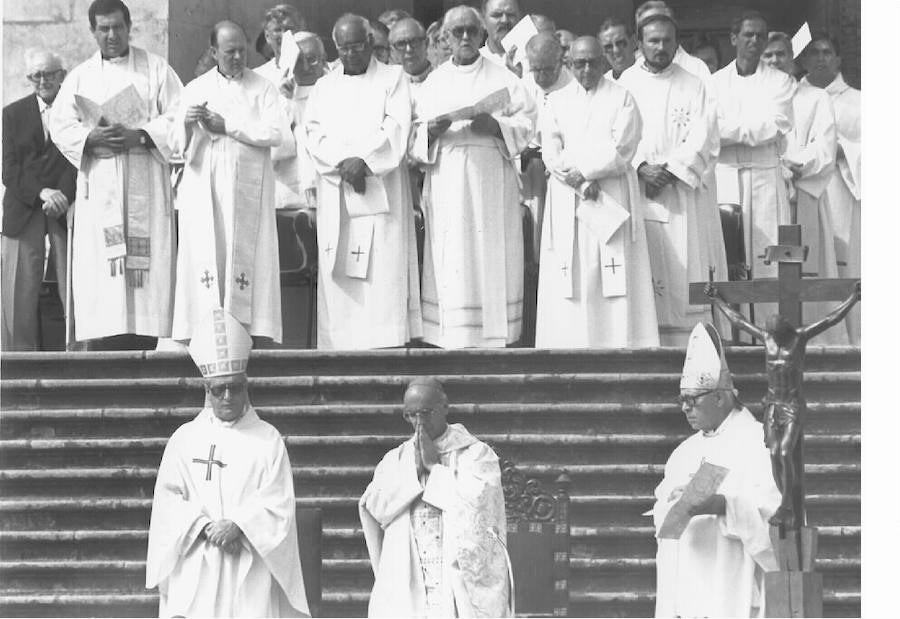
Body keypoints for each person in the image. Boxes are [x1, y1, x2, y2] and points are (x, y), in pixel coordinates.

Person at [146, 308, 309, 617]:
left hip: (250, 562)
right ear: (207, 390)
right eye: (219, 389)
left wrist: (239, 526)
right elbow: (168, 502)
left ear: (246, 386)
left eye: (235, 387)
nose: (227, 396)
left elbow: (279, 504)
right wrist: (204, 527)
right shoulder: (184, 439)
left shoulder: (268, 439)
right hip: (197, 559)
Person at [49, 0, 182, 350]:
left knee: (148, 281)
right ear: (93, 31)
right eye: (104, 28)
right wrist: (89, 137)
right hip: (101, 184)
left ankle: (151, 347)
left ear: (129, 26)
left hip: (146, 183)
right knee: (105, 283)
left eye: (118, 27)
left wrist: (141, 135)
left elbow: (179, 118)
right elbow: (60, 125)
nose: (112, 35)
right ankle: (104, 349)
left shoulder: (156, 69)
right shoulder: (80, 76)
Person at [410, 5, 536, 348]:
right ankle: (451, 335)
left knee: (491, 251)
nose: (465, 37)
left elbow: (528, 125)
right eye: (457, 32)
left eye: (471, 30)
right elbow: (410, 140)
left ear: (482, 35)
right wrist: (430, 132)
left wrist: (497, 126)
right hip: (447, 179)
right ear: (445, 38)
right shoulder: (433, 83)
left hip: (491, 179)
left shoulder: (505, 78)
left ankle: (498, 335)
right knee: (453, 257)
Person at [303, 14, 422, 350]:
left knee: (382, 276)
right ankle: (341, 348)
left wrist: (365, 162)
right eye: (343, 48)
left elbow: (397, 126)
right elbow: (312, 132)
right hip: (339, 190)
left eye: (356, 46)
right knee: (341, 275)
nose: (350, 53)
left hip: (378, 190)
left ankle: (387, 345)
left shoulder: (393, 78)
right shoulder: (325, 86)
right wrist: (341, 162)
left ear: (370, 42)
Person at [704, 281, 860, 530]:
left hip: (792, 406)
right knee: (774, 455)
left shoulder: (799, 338)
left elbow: (830, 320)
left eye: (776, 324)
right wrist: (718, 302)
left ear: (784, 327)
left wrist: (853, 298)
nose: (771, 327)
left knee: (785, 452)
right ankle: (784, 502)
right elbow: (738, 321)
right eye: (770, 325)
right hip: (773, 405)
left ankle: (787, 505)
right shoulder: (767, 339)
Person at [170, 21, 289, 344]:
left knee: (246, 256)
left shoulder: (263, 87)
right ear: (213, 52)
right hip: (204, 190)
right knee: (208, 253)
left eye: (242, 50)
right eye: (229, 51)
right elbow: (177, 146)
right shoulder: (195, 88)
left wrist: (229, 125)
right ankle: (204, 331)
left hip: (247, 192)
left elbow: (276, 133)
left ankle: (251, 333)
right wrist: (188, 123)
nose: (237, 57)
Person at [535, 36, 658, 348]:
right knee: (571, 272)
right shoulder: (556, 101)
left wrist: (586, 173)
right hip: (569, 196)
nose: (586, 69)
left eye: (592, 62)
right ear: (569, 63)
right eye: (579, 63)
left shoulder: (622, 97)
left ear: (603, 62)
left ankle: (619, 345)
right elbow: (551, 149)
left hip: (609, 194)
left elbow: (623, 147)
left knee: (611, 273)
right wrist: (577, 180)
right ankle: (569, 347)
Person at [653, 322, 780, 617]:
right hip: (685, 587)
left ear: (720, 397)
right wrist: (671, 503)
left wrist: (722, 505)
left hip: (729, 581)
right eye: (682, 400)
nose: (684, 408)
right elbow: (662, 518)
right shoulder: (684, 452)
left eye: (691, 400)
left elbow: (777, 516)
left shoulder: (758, 443)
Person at [359, 376, 510, 617]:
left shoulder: (476, 454)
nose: (419, 422)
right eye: (411, 414)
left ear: (445, 408)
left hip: (456, 578)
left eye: (426, 413)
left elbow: (480, 509)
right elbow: (375, 507)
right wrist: (412, 474)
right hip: (409, 575)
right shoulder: (395, 459)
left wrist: (433, 468)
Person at [619, 14, 727, 346]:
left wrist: (671, 171)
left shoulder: (694, 83)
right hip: (639, 193)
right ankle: (646, 344)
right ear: (639, 44)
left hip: (679, 193)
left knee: (684, 271)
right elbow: (615, 131)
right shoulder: (625, 82)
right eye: (653, 40)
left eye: (668, 40)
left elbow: (704, 136)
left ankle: (690, 346)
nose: (661, 47)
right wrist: (639, 167)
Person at [709, 11, 795, 328]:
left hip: (765, 178)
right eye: (748, 35)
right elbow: (710, 128)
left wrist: (730, 130)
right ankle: (735, 333)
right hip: (726, 176)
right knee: (732, 258)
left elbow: (775, 126)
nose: (755, 41)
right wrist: (747, 130)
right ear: (734, 39)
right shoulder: (714, 83)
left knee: (769, 256)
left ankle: (773, 331)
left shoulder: (781, 82)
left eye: (761, 35)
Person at [762, 33, 847, 345]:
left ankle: (816, 340)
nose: (774, 61)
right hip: (765, 193)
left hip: (801, 193)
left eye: (781, 55)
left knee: (805, 269)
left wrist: (792, 165)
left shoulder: (815, 97)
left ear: (792, 58)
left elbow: (825, 147)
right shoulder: (758, 97)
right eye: (768, 56)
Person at [2, 50, 77, 351]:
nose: (42, 80)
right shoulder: (12, 113)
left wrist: (64, 195)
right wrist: (41, 193)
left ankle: (78, 354)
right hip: (24, 208)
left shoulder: (77, 111)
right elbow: (9, 169)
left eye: (48, 74)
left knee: (73, 286)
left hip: (65, 208)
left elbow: (80, 158)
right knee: (19, 290)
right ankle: (19, 361)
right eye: (36, 76)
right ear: (29, 79)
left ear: (62, 74)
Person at [800, 35, 860, 344]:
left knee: (846, 261)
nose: (821, 58)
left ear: (838, 59)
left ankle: (852, 336)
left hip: (842, 190)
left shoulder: (859, 101)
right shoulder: (795, 95)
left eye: (827, 52)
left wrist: (842, 151)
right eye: (814, 53)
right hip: (805, 192)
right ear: (805, 59)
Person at [256, 29, 326, 212]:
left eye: (312, 59)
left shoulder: (336, 90)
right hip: (290, 193)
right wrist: (285, 102)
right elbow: (275, 149)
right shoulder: (277, 96)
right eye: (299, 61)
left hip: (329, 187)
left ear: (324, 59)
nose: (306, 67)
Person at [521, 33, 573, 262]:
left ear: (560, 61)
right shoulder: (523, 85)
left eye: (548, 70)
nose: (541, 76)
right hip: (528, 172)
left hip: (560, 174)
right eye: (536, 70)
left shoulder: (574, 86)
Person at [633, 2, 711, 80]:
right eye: (647, 22)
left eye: (660, 20)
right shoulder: (631, 69)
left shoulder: (696, 68)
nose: (656, 26)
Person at [254, 4, 306, 87]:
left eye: (289, 29)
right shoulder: (258, 76)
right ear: (267, 36)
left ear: (300, 32)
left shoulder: (315, 70)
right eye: (277, 30)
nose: (283, 35)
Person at [480, 0, 528, 75]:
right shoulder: (474, 61)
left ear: (520, 19)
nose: (504, 20)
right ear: (483, 21)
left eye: (510, 14)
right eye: (497, 15)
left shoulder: (534, 58)